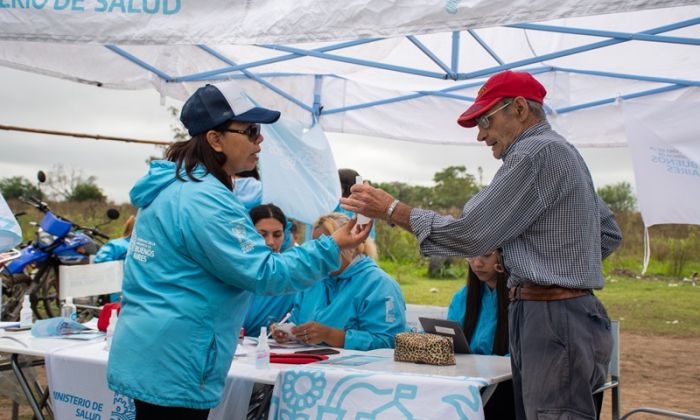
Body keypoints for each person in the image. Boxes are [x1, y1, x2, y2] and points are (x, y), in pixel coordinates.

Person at [341, 70, 623, 419]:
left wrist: (393, 210)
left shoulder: (533, 153)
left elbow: (472, 234)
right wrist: (558, 262)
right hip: (561, 312)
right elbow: (609, 233)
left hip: (550, 314)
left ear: (519, 108)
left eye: (486, 120)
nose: (480, 135)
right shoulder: (563, 153)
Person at [106, 83, 371, 419]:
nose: (260, 141)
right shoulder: (205, 200)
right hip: (177, 358)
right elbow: (265, 273)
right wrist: (333, 245)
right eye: (250, 131)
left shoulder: (173, 187)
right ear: (215, 140)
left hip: (154, 349)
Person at [273, 212, 407, 350]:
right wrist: (288, 332)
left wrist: (331, 335)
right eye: (317, 246)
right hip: (310, 367)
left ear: (352, 242)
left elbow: (389, 342)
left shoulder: (380, 285)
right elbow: (297, 320)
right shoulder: (313, 281)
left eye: (329, 244)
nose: (321, 252)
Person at [447, 249, 514, 419]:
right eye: (471, 255)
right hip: (467, 385)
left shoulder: (521, 299)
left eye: (486, 255)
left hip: (507, 388)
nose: (477, 263)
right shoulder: (462, 297)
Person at [242, 203, 295, 336]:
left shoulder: (292, 274)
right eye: (262, 235)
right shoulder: (230, 271)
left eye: (277, 235)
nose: (270, 242)